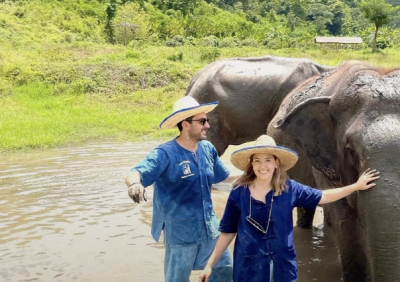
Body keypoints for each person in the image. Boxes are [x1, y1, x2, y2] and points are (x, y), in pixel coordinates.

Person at [199, 134, 380, 282]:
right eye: (257, 161)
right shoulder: (239, 192)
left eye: (268, 160)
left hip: (282, 268)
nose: (263, 166)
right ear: (251, 164)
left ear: (277, 163)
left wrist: (356, 186)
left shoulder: (290, 189)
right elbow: (227, 232)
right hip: (249, 268)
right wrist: (209, 265)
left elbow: (322, 196)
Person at [125, 96, 239, 282]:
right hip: (180, 232)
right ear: (185, 124)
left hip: (210, 228)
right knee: (177, 278)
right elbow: (135, 173)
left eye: (207, 121)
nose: (207, 126)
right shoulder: (165, 153)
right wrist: (135, 185)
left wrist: (251, 175)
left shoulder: (207, 149)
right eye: (202, 121)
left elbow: (224, 176)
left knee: (225, 269)